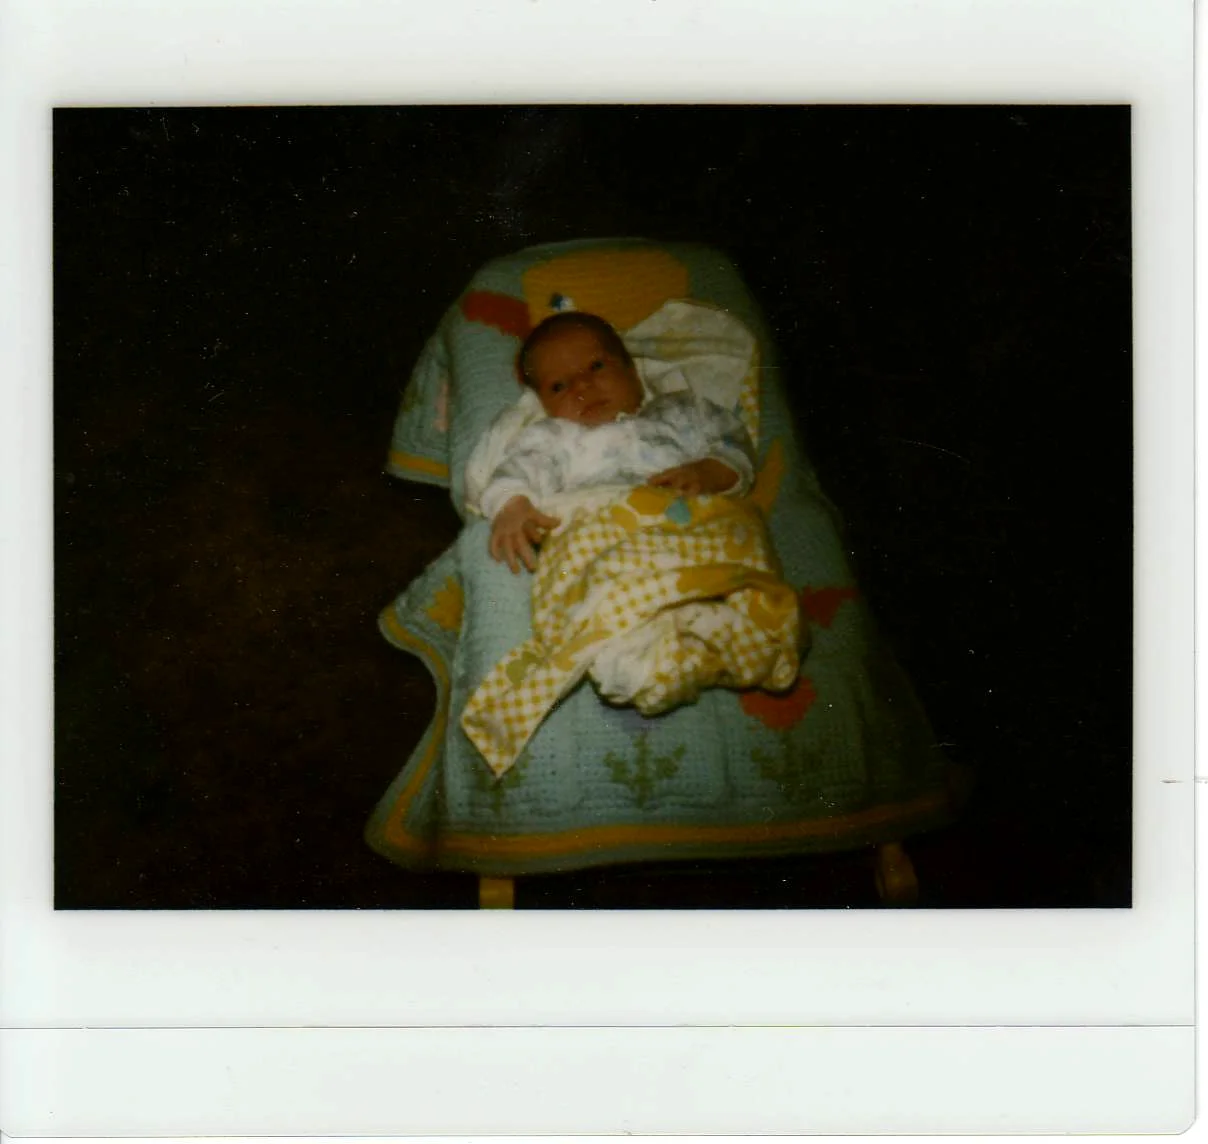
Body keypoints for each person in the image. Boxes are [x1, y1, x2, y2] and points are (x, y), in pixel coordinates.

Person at [478, 311, 756, 573]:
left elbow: (732, 441)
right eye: (558, 386)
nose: (581, 385)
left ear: (632, 371)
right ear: (544, 405)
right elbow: (521, 467)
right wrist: (513, 506)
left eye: (596, 366)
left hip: (697, 541)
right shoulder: (557, 438)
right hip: (609, 549)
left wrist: (709, 471)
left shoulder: (682, 411)